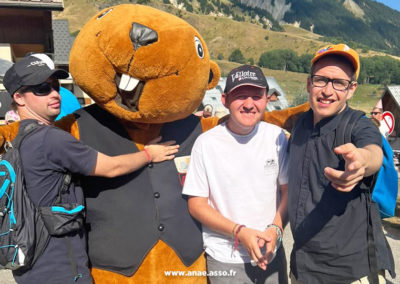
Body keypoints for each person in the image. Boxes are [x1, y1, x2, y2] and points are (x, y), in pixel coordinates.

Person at [2, 55, 179, 284]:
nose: (55, 94)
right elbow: (111, 167)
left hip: (30, 266)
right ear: (19, 97)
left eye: (55, 86)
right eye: (42, 89)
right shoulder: (51, 139)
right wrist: (149, 154)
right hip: (62, 270)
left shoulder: (19, 140)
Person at [288, 44, 395, 284]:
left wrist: (361, 162)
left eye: (339, 83)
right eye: (321, 80)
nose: (327, 90)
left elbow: (373, 153)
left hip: (348, 273)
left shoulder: (358, 124)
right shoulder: (299, 126)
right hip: (301, 269)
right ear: (308, 83)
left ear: (351, 89)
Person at [183, 65, 289, 284]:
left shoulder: (277, 137)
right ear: (224, 100)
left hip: (271, 255)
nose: (249, 104)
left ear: (267, 99)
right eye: (240, 96)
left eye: (256, 96)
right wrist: (239, 232)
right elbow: (196, 204)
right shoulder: (206, 143)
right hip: (224, 258)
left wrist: (276, 229)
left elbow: (287, 191)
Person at [27, 53, 82, 120]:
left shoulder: (66, 94)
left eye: (55, 83)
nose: (55, 94)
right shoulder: (67, 93)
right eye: (43, 87)